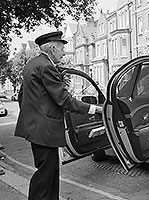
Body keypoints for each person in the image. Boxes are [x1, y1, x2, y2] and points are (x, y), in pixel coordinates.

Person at [14, 31, 102, 200]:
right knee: (46, 174)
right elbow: (64, 99)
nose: (63, 53)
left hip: (36, 129)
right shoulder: (47, 67)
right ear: (53, 48)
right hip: (44, 131)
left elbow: (22, 96)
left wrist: (32, 117)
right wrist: (93, 109)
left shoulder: (32, 64)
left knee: (49, 171)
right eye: (62, 50)